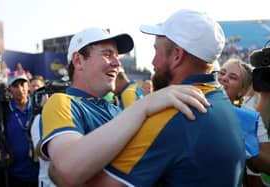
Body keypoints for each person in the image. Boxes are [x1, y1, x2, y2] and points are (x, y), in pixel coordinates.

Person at [87, 9, 246, 187]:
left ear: (177, 55)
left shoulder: (174, 113)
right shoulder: (219, 97)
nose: (153, 62)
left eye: (156, 51)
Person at [40, 27, 211, 187]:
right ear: (78, 61)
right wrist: (145, 104)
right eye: (107, 54)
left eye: (117, 57)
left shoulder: (115, 110)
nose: (117, 64)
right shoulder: (62, 102)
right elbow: (69, 168)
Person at [217, 58, 270, 187]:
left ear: (241, 91)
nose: (224, 78)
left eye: (233, 77)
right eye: (222, 72)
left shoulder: (250, 118)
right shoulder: (195, 101)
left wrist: (246, 146)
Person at [0, 72, 38, 187]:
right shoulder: (2, 111)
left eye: (23, 84)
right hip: (14, 175)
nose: (20, 89)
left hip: (40, 174)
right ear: (9, 91)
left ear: (28, 86)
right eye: (15, 86)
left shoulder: (39, 107)